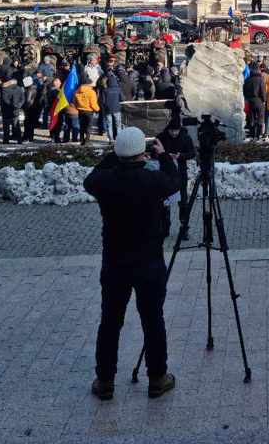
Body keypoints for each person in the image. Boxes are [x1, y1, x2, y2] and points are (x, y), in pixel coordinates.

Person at [84, 127, 178, 402]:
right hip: (149, 260)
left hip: (115, 261)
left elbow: (90, 179)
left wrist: (114, 157)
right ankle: (158, 378)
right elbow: (174, 181)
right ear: (142, 152)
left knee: (110, 321)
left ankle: (104, 380)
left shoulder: (105, 182)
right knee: (153, 320)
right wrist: (163, 156)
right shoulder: (152, 180)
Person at [74, 78, 100, 145]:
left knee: (82, 126)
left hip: (80, 110)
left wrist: (78, 107)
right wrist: (98, 109)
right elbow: (93, 104)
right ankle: (87, 140)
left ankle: (81, 140)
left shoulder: (77, 91)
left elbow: (75, 102)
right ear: (88, 84)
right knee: (88, 126)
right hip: (89, 111)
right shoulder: (91, 92)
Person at [242, 64, 266, 139]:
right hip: (258, 100)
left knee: (251, 118)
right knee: (260, 118)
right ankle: (258, 134)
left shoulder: (247, 80)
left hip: (249, 101)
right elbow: (262, 91)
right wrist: (264, 100)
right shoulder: (260, 79)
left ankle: (252, 134)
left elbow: (244, 90)